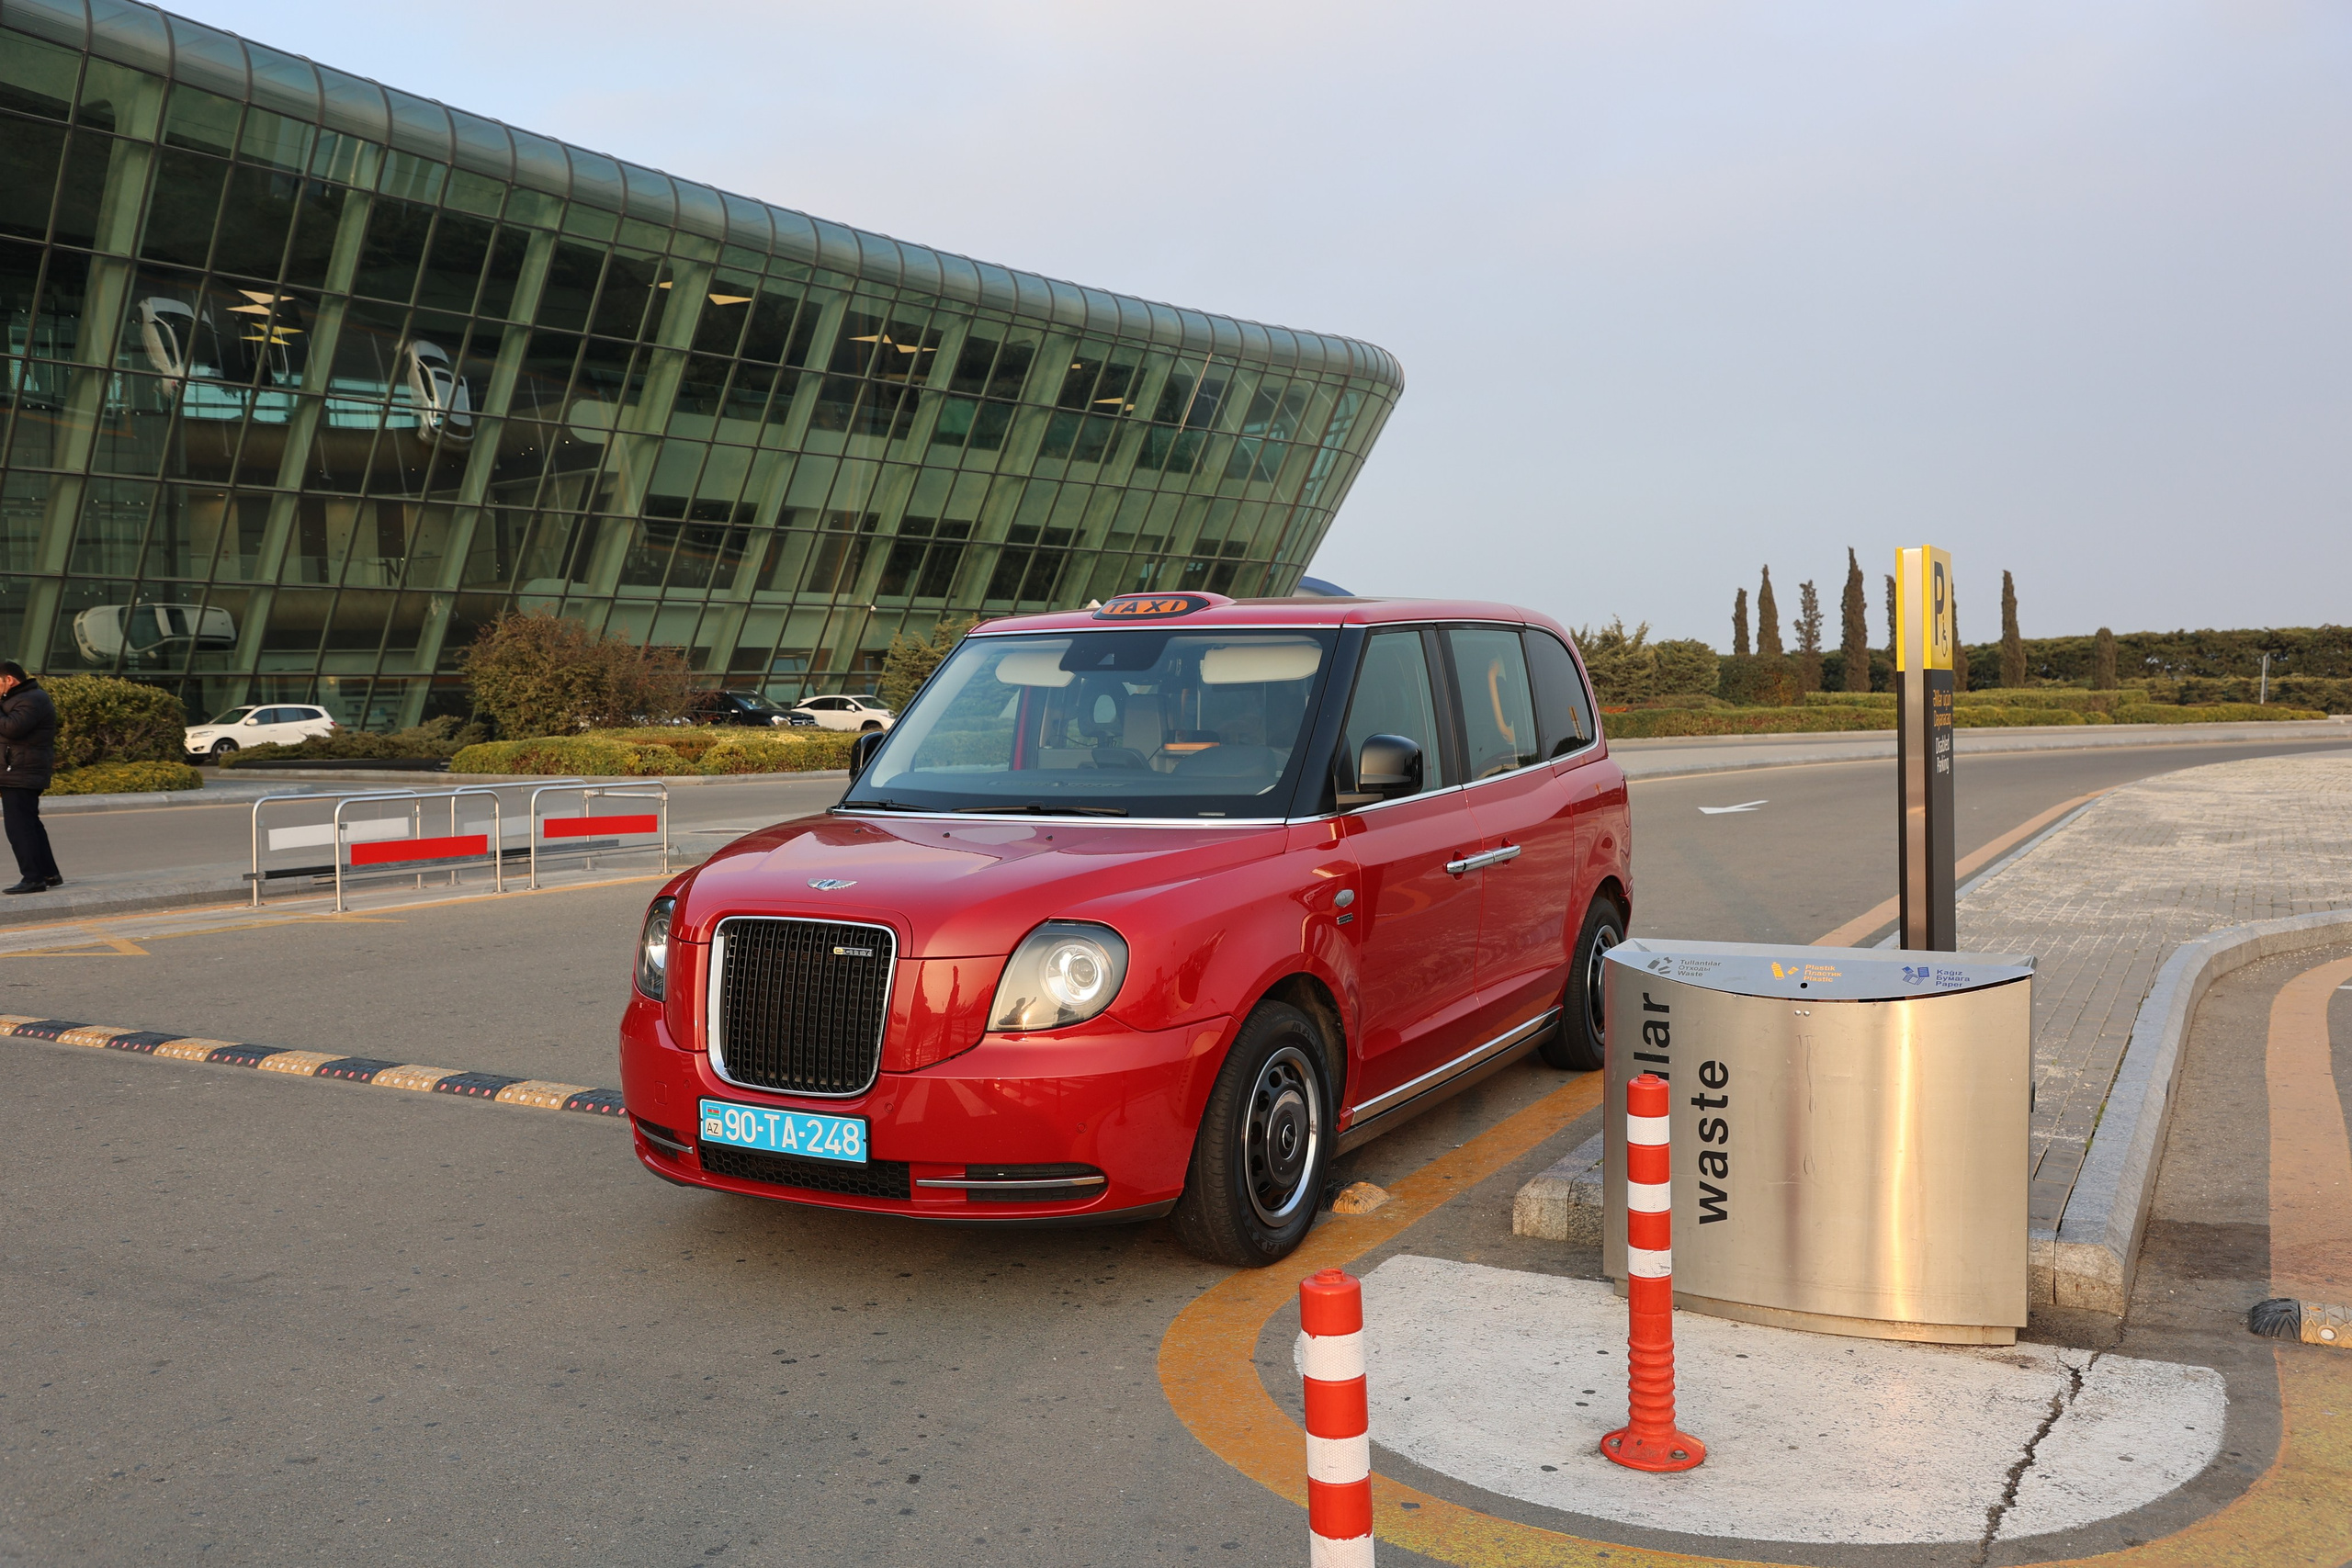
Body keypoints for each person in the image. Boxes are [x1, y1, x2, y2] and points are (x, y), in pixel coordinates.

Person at [0, 660, 62, 894]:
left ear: (10, 680)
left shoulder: (32, 699)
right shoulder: (20, 699)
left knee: (19, 828)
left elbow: (12, 728)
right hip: (18, 771)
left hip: (21, 772)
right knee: (30, 825)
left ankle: (32, 878)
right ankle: (49, 874)